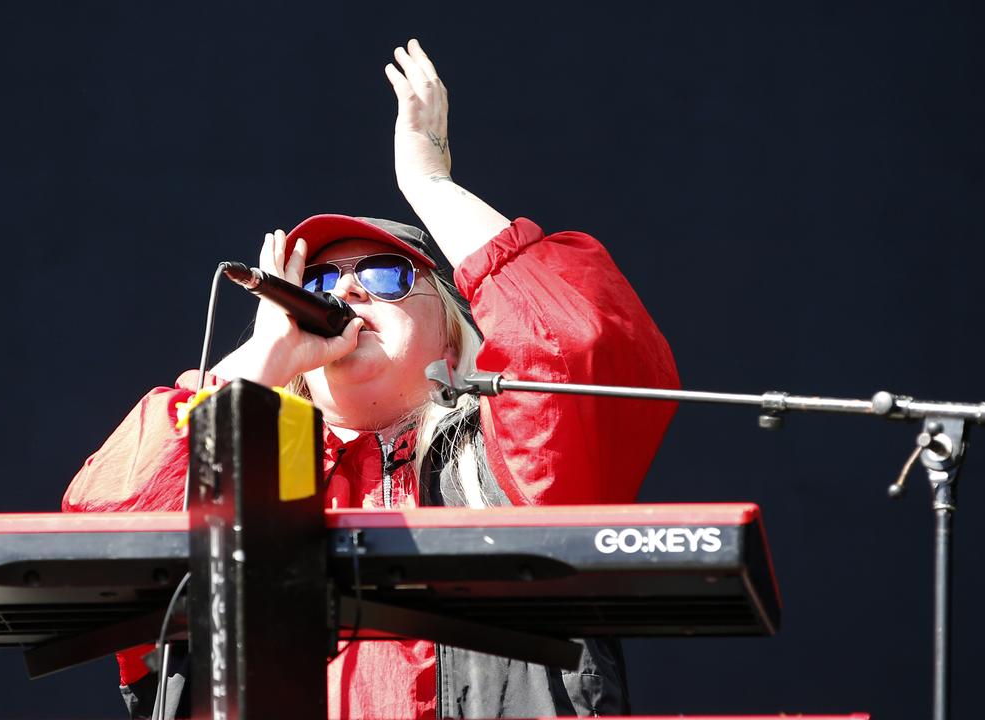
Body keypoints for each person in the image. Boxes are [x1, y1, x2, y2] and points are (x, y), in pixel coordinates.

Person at [63, 39, 679, 719]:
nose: (347, 293)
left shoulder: (505, 463)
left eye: (385, 276)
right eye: (320, 282)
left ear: (451, 326)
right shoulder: (247, 477)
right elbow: (106, 528)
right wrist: (264, 360)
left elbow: (575, 340)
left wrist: (431, 186)